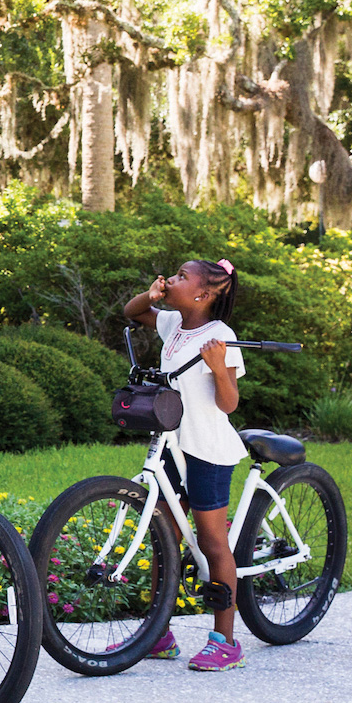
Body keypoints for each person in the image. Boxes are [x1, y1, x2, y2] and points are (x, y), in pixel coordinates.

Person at [122, 259, 248, 672]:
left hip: (206, 448)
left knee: (213, 543)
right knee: (165, 536)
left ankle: (225, 640)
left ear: (203, 293)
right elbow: (134, 312)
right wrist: (152, 294)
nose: (171, 280)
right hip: (172, 448)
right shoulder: (173, 325)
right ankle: (160, 632)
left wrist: (218, 367)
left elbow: (228, 404)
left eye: (180, 277)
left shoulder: (220, 336)